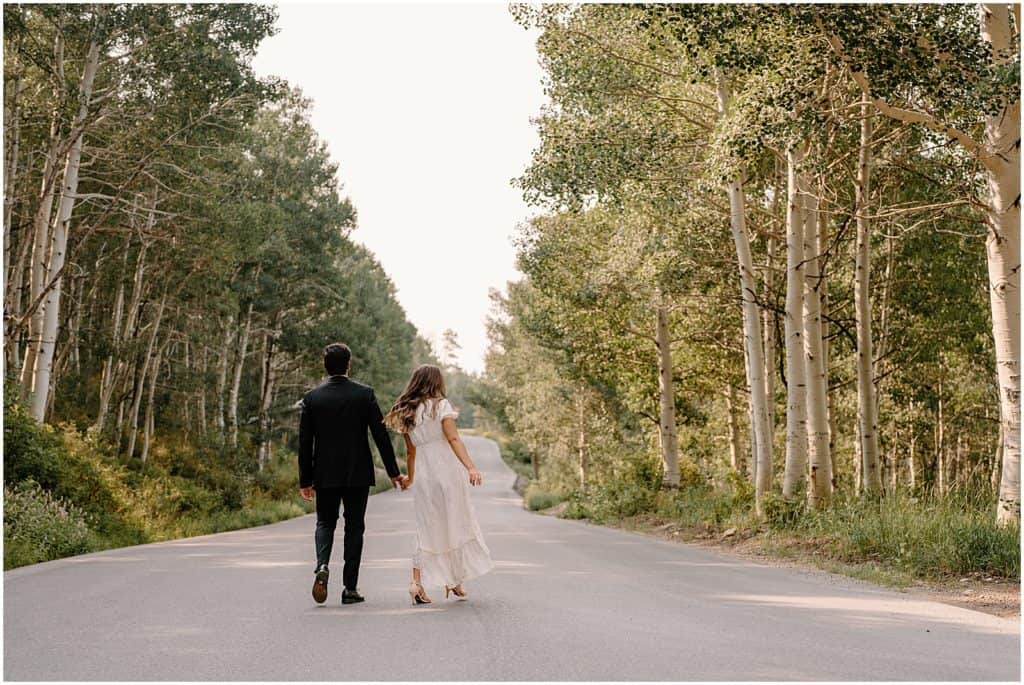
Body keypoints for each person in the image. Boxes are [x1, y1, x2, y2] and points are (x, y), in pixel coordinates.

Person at [298, 343, 403, 605]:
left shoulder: (312, 398)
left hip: (324, 473)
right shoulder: (364, 394)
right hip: (357, 472)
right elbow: (380, 435)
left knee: (325, 522)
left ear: (325, 366)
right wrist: (393, 472)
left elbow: (304, 443)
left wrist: (305, 480)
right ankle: (350, 588)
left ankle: (322, 565)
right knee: (354, 527)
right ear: (348, 365)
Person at [384, 364, 494, 604]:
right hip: (447, 475)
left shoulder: (407, 412)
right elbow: (453, 438)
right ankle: (454, 581)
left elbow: (410, 453)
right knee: (454, 522)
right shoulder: (441, 406)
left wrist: (410, 478)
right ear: (436, 382)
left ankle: (417, 583)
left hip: (424, 477)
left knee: (426, 528)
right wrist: (471, 467)